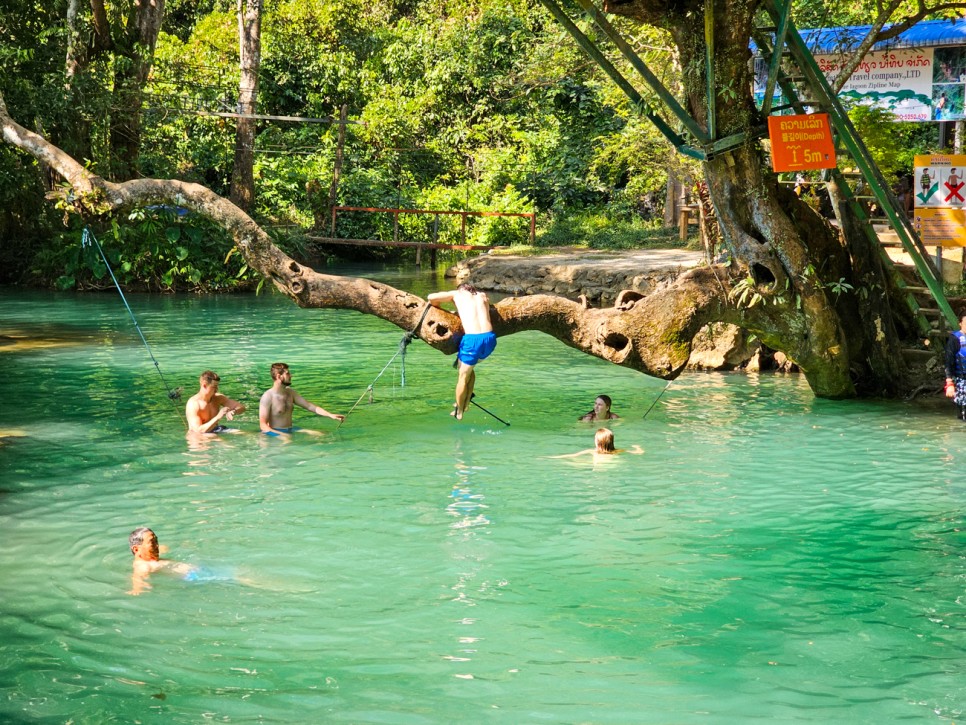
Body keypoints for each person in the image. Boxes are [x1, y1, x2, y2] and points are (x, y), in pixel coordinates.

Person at [428, 283, 497, 420]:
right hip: (490, 339)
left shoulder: (457, 294)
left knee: (462, 377)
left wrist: (446, 304)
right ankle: (465, 403)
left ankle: (459, 411)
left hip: (472, 340)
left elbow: (431, 298)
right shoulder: (483, 296)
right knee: (469, 370)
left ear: (461, 289)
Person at [258, 362, 344, 435]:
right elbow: (263, 426)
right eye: (287, 373)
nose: (291, 376)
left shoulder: (290, 392)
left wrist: (330, 415)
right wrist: (280, 436)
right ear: (279, 376)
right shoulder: (267, 397)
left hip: (291, 429)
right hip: (276, 432)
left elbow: (309, 406)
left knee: (321, 434)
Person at [128, 527, 195, 595]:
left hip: (195, 575)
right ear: (136, 549)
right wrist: (137, 589)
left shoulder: (150, 557)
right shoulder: (143, 565)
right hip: (194, 578)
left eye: (156, 541)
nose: (157, 546)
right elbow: (139, 578)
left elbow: (164, 548)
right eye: (152, 542)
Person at [550, 428, 643, 458]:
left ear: (597, 442)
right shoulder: (617, 451)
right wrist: (637, 447)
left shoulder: (593, 451)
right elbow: (639, 452)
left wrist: (551, 457)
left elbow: (572, 455)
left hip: (599, 469)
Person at [943, 313, 966, 420]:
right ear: (960, 324)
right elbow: (949, 362)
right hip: (961, 379)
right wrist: (949, 383)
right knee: (962, 415)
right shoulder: (954, 339)